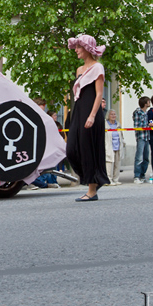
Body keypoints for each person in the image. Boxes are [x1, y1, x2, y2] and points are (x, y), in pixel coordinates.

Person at [66, 34, 109, 201]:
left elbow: (99, 95)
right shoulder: (79, 70)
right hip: (78, 111)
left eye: (79, 47)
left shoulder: (98, 67)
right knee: (71, 150)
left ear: (87, 49)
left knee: (88, 150)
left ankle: (92, 189)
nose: (76, 50)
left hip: (91, 112)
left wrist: (92, 116)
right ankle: (93, 178)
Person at [133, 96, 152, 184]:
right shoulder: (138, 112)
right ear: (145, 103)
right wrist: (148, 126)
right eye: (148, 102)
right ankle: (136, 176)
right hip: (141, 137)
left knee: (146, 158)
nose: (149, 103)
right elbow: (137, 126)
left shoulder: (146, 113)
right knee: (139, 157)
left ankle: (142, 175)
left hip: (146, 137)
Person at [104, 109, 123, 185]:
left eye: (114, 114)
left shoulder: (118, 124)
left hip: (118, 145)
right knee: (109, 163)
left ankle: (116, 179)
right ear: (108, 115)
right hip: (109, 146)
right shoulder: (105, 124)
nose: (113, 116)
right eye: (111, 114)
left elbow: (121, 134)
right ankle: (109, 179)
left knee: (117, 163)